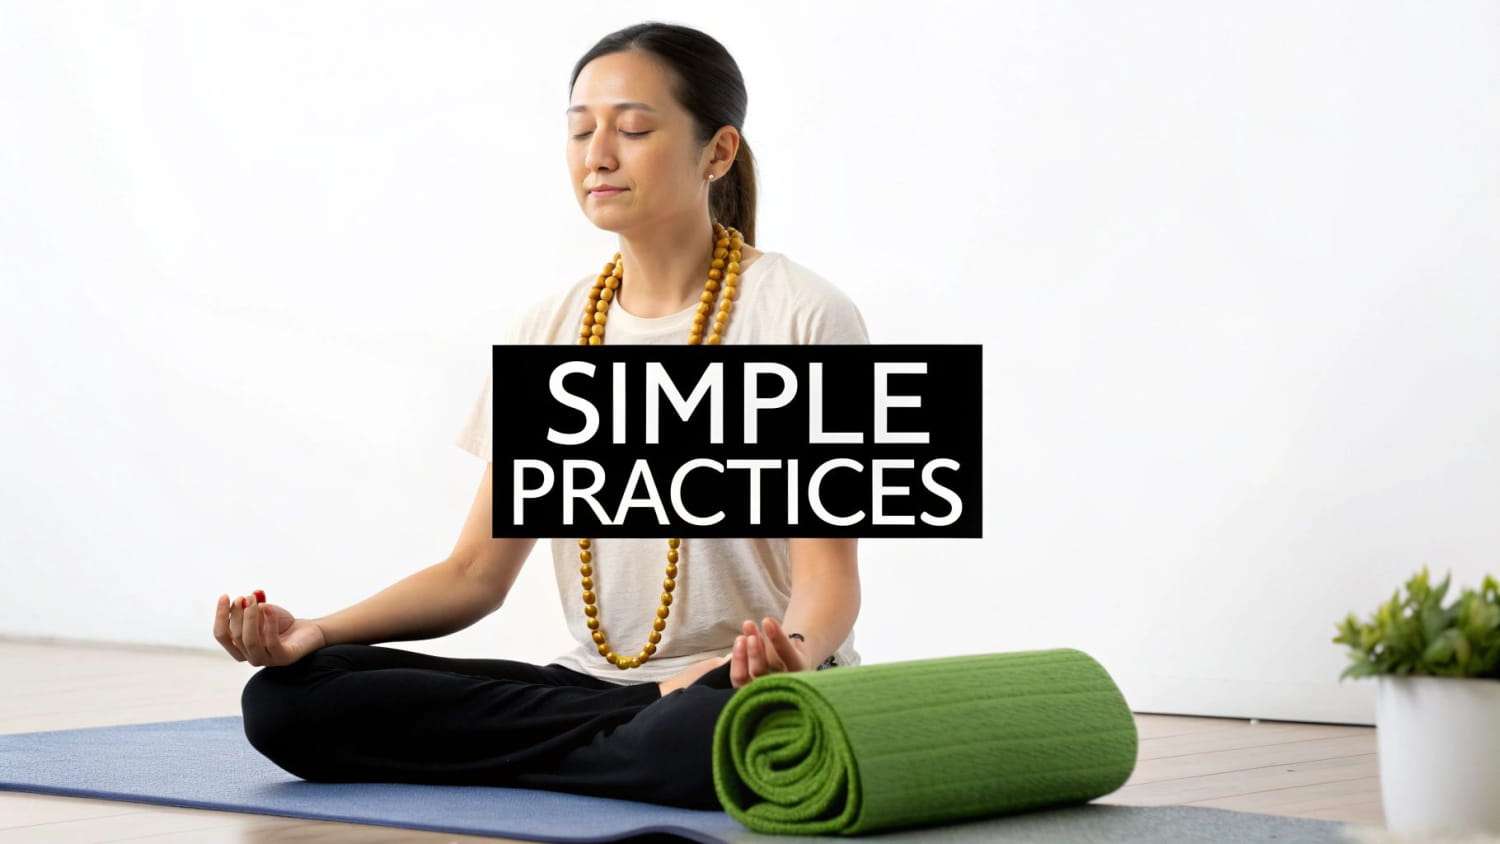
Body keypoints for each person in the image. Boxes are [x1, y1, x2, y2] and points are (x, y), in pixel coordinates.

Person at [219, 22, 868, 810]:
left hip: (743, 687)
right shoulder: (551, 328)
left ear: (718, 152)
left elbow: (829, 581)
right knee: (290, 699)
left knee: (706, 733)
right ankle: (622, 747)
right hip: (592, 689)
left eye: (632, 128)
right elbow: (472, 576)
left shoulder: (805, 316)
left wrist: (789, 655)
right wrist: (316, 631)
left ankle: (601, 748)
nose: (598, 154)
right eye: (579, 130)